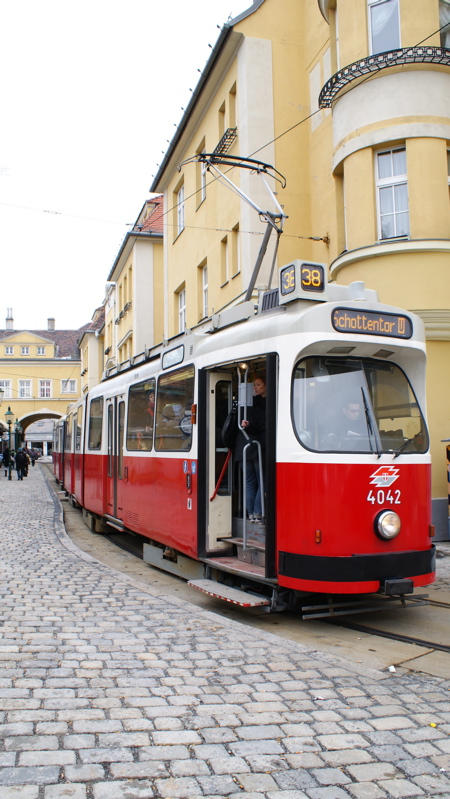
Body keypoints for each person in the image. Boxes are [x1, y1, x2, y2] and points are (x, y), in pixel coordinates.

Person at [234, 377, 266, 521]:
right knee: (262, 481)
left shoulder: (242, 406)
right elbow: (259, 426)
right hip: (257, 449)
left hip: (243, 450)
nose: (255, 387)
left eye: (258, 384)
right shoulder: (261, 407)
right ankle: (258, 512)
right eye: (254, 385)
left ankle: (251, 513)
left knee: (249, 482)